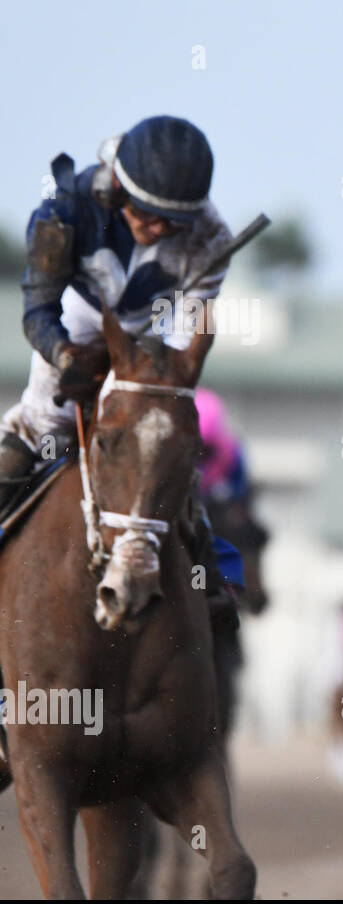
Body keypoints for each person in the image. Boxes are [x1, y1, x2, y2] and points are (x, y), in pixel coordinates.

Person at [0, 115, 239, 631]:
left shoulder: (212, 237)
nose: (157, 230)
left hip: (153, 345)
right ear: (117, 189)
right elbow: (37, 309)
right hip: (75, 330)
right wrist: (64, 357)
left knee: (165, 455)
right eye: (147, 215)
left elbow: (191, 331)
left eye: (171, 223)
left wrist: (165, 387)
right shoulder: (63, 210)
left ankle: (210, 597)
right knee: (29, 439)